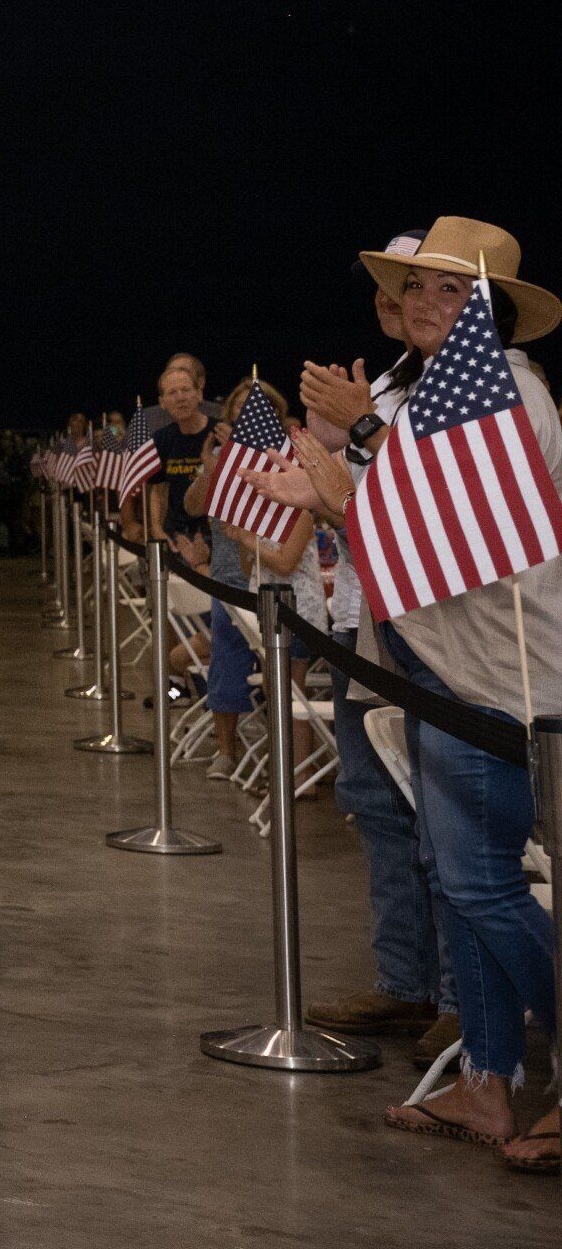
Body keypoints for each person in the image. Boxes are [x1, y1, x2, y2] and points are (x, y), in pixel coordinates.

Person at [246, 217, 559, 1171]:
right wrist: (328, 490)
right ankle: (488, 1082)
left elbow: (450, 530)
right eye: (414, 288)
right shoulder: (427, 394)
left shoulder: (509, 394)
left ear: (492, 314)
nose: (422, 304)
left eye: (450, 292)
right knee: (464, 882)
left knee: (483, 884)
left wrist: (353, 458)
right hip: (430, 669)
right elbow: (391, 518)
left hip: (497, 680)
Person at [293, 229, 457, 1059]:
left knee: (446, 819)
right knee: (375, 803)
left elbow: (439, 502)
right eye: (392, 286)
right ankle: (405, 983)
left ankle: (466, 1006)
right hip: (373, 619)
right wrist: (315, 491)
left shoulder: (479, 386)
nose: (402, 299)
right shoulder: (393, 381)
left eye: (427, 286)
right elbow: (370, 505)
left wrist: (356, 432)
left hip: (447, 632)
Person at [183, 378, 293, 779]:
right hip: (230, 577)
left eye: (255, 409)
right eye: (238, 409)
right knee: (227, 662)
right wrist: (210, 470)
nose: (245, 415)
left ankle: (286, 756)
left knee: (283, 665)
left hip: (281, 576)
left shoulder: (288, 456)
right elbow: (192, 505)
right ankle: (226, 752)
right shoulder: (221, 460)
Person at [124, 363, 213, 540]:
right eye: (172, 393)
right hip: (176, 534)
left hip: (214, 534)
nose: (180, 398)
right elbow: (157, 488)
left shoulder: (219, 432)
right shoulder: (162, 439)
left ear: (199, 394)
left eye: (186, 390)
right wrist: (157, 529)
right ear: (162, 402)